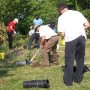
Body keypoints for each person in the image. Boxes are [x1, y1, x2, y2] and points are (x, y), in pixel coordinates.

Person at [57, 4, 90, 86]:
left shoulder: (61, 17)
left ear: (61, 10)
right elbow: (87, 25)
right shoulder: (78, 13)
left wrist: (62, 36)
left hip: (71, 39)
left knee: (69, 59)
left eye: (59, 12)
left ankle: (68, 81)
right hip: (81, 37)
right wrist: (80, 29)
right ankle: (78, 79)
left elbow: (62, 33)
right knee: (80, 59)